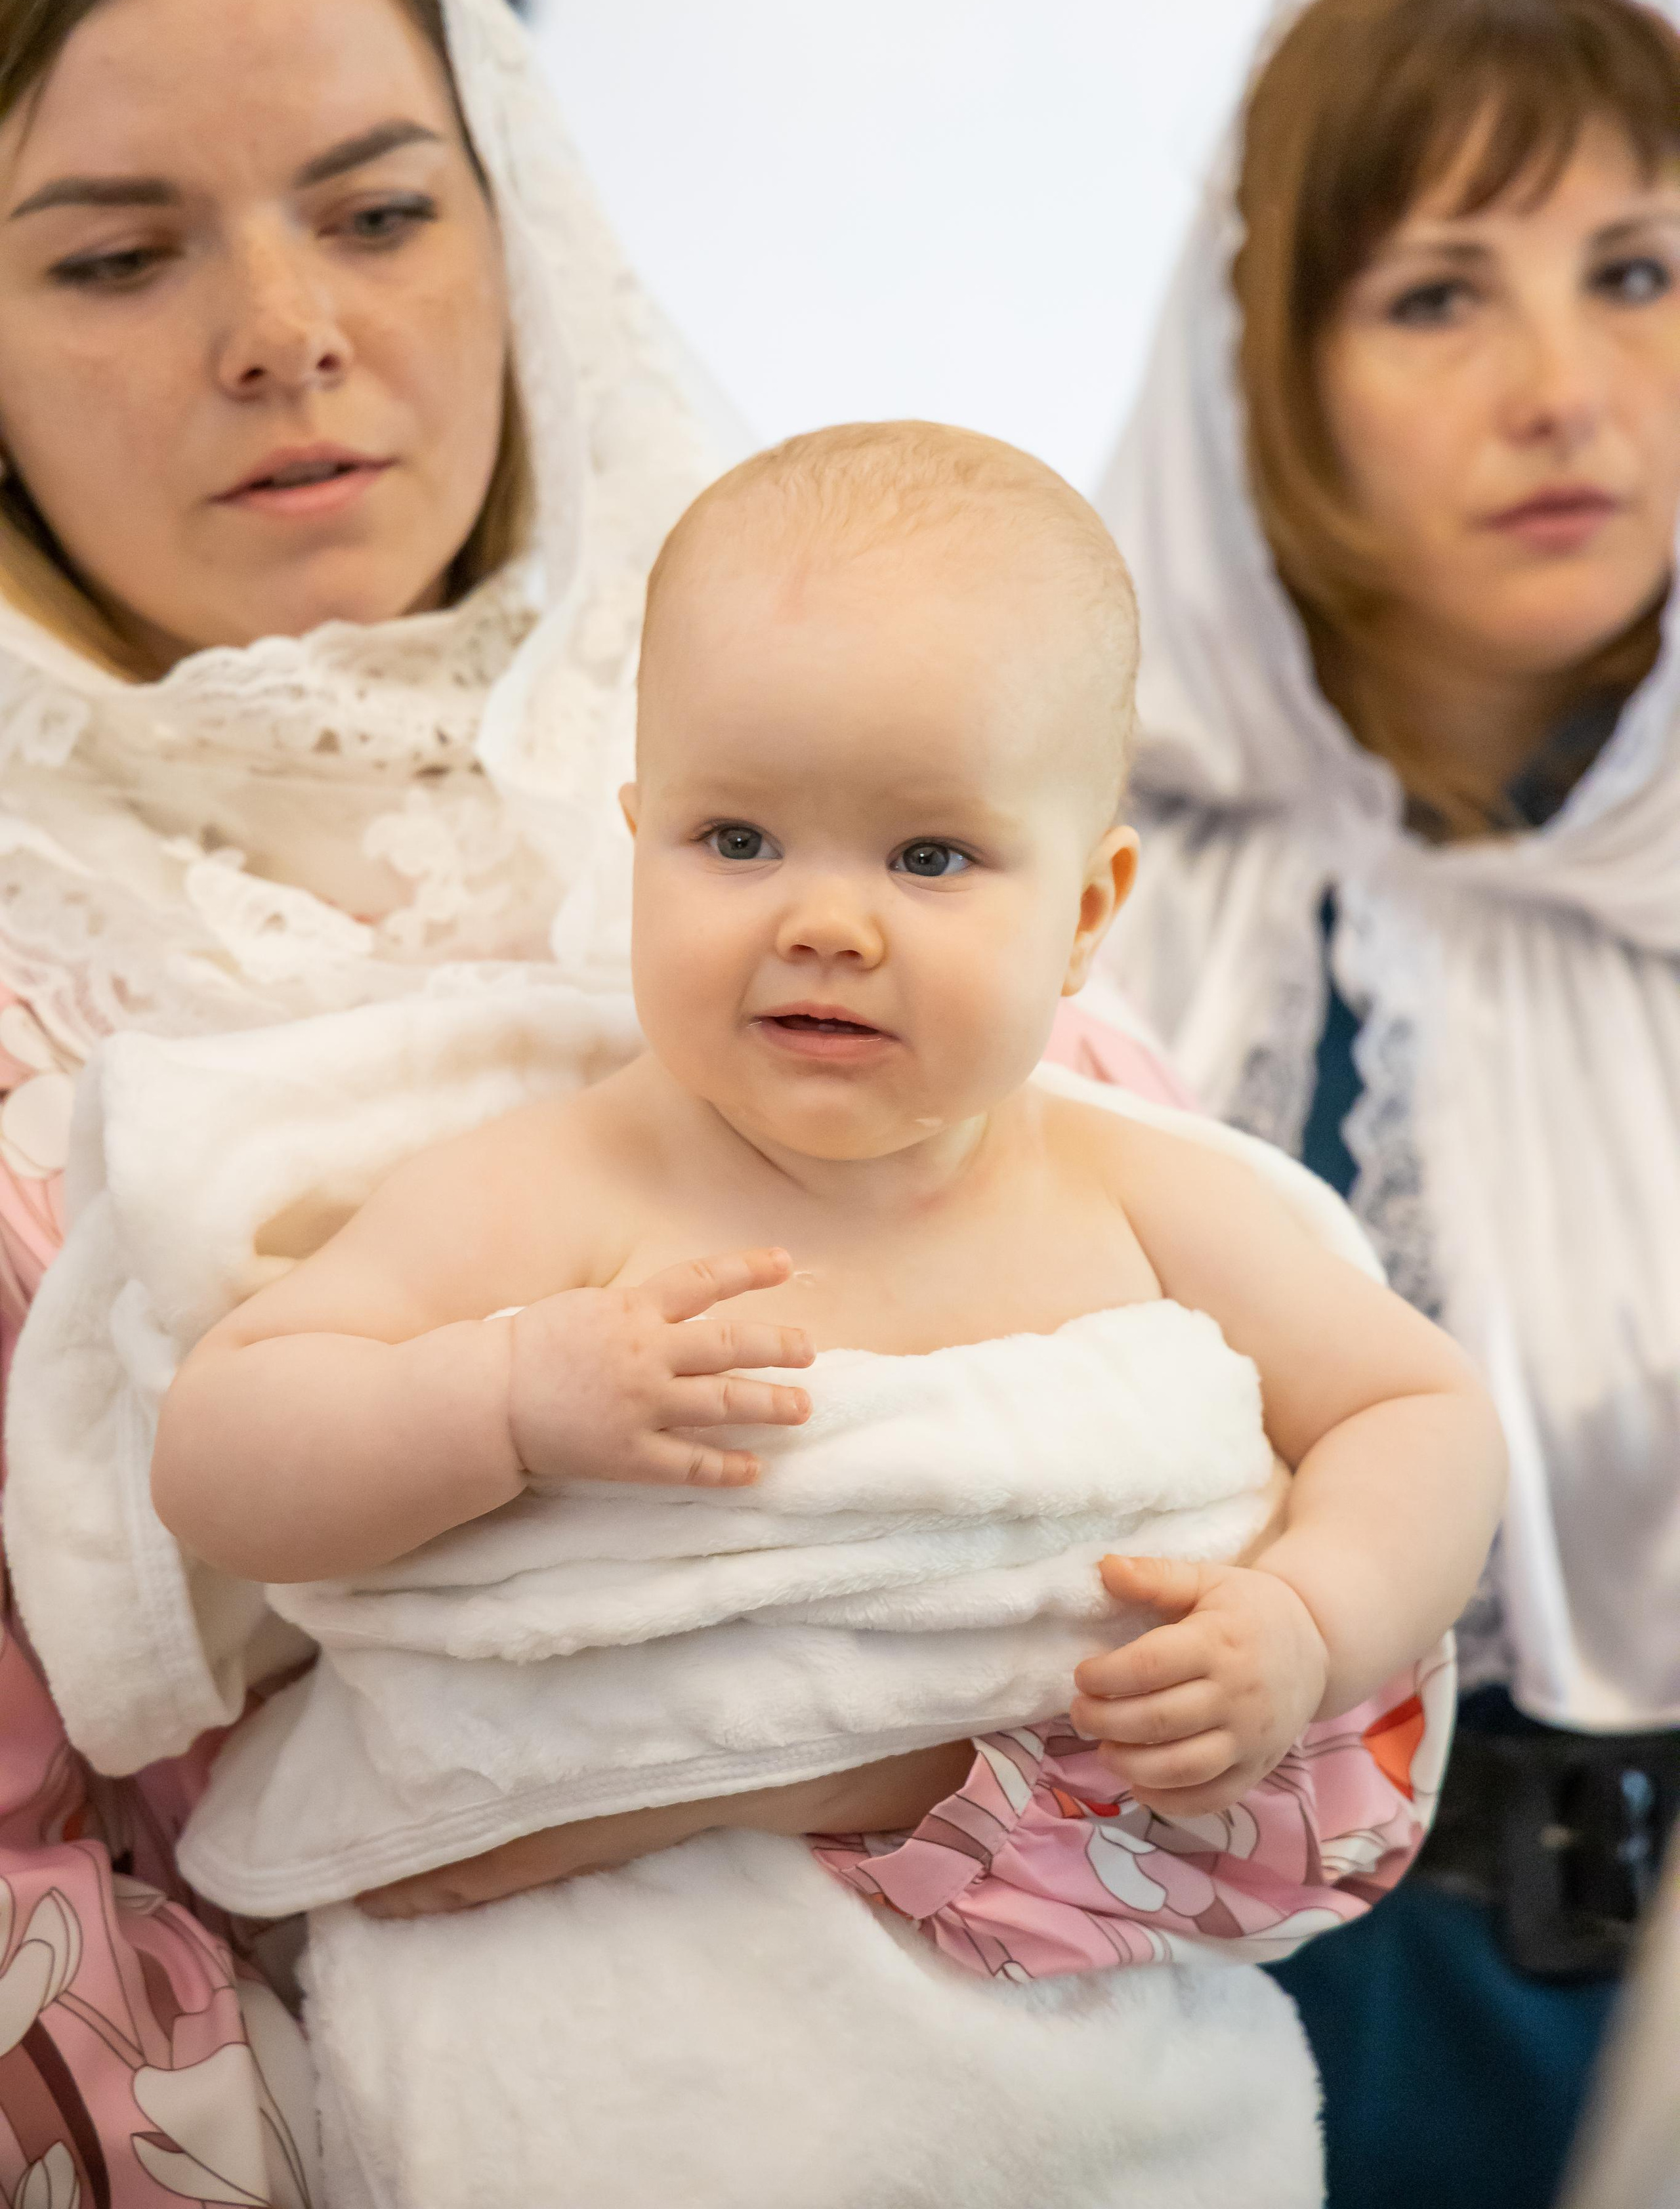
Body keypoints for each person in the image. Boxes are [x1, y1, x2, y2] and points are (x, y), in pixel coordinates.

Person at [76, 421, 1500, 2206]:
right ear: (638, 843)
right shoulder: (550, 1190)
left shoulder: (1140, 1192)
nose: (826, 921)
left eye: (930, 858)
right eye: (738, 838)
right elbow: (220, 1452)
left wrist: (1304, 1619)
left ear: (1087, 910)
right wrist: (503, 1401)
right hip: (620, 2061)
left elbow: (1421, 1420)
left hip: (1079, 2088)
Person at [0, 0, 748, 2204]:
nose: (285, 329)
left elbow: (1265, 1664)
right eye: (119, 255)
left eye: (382, 212)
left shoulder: (807, 781)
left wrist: (874, 1782)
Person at [1093, 0, 1680, 2209]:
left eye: (1636, 269)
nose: (1569, 385)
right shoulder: (1087, 885)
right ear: (1271, 371)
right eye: (1443, 291)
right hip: (1148, 2029)